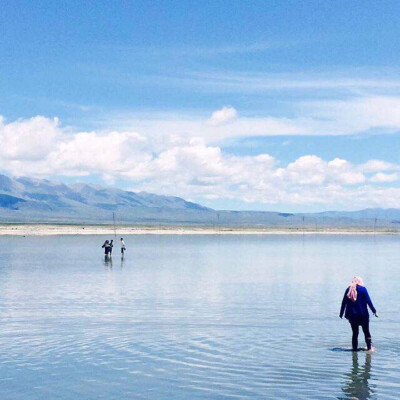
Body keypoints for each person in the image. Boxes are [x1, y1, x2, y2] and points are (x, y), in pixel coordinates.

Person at [340, 277, 377, 352]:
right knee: (366, 332)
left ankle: (354, 349)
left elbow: (344, 302)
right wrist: (374, 311)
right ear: (360, 281)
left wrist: (341, 313)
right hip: (363, 315)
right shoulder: (363, 289)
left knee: (355, 333)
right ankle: (369, 349)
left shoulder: (348, 289)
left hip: (352, 315)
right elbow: (368, 301)